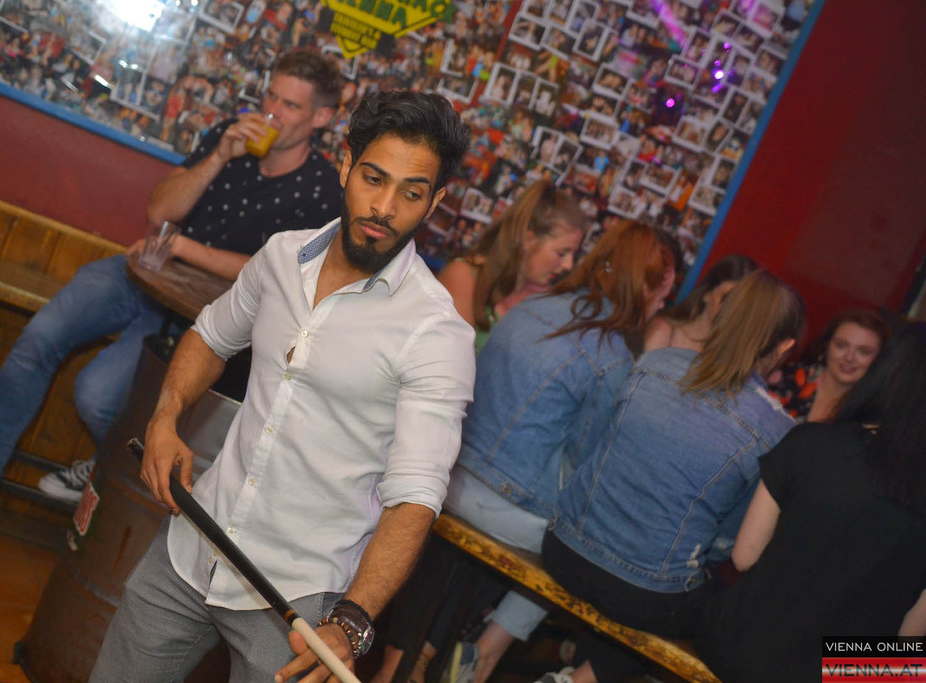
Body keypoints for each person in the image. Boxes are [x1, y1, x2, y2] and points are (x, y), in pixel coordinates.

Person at [89, 90, 475, 683]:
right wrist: (165, 418)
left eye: (411, 192)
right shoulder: (281, 257)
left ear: (435, 202)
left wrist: (352, 622)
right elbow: (210, 337)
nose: (384, 207)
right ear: (345, 166)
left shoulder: (437, 333)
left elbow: (416, 498)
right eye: (373, 178)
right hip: (192, 545)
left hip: (300, 599)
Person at [0, 50, 343, 539]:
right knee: (40, 336)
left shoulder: (322, 189)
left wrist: (187, 248)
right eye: (270, 97)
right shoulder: (227, 136)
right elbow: (160, 211)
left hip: (196, 313)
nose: (271, 113)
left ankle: (105, 462)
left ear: (321, 117)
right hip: (144, 274)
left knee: (95, 395)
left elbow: (280, 272)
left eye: (290, 105)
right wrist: (219, 156)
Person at [375, 221, 676, 683]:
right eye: (662, 296)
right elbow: (585, 463)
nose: (661, 307)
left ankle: (416, 658)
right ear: (642, 288)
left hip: (450, 475)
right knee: (581, 556)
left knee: (478, 550)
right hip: (499, 499)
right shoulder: (612, 357)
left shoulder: (534, 306)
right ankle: (481, 656)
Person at [541, 270, 804, 683]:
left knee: (648, 589)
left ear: (718, 314)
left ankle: (576, 675)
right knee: (709, 608)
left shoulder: (655, 363)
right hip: (644, 593)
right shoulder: (775, 429)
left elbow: (596, 455)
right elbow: (729, 544)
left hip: (563, 548)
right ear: (785, 346)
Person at [696, 322, 926, 683]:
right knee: (909, 667)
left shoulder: (810, 441)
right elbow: (909, 637)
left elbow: (744, 556)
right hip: (838, 671)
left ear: (885, 374)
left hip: (743, 645)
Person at [436, 180, 586, 349]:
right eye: (562, 253)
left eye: (573, 254)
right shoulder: (464, 276)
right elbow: (451, 358)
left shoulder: (543, 298)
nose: (568, 265)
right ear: (529, 240)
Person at [769, 309, 889, 422]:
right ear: (827, 345)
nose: (849, 358)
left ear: (879, 359)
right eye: (841, 345)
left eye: (864, 351)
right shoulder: (789, 377)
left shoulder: (875, 410)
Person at [643, 253, 758, 353]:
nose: (732, 310)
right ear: (708, 293)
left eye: (741, 305)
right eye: (727, 299)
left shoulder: (726, 357)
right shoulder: (664, 331)